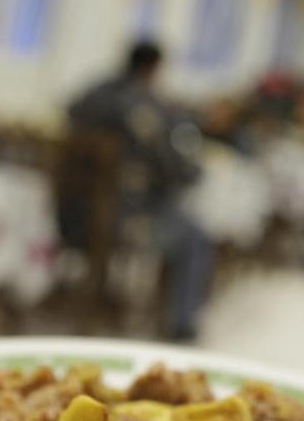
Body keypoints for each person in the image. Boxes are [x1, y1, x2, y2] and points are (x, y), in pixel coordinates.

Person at [68, 41, 209, 340]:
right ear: (154, 69)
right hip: (125, 219)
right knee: (196, 235)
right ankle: (181, 324)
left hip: (75, 212)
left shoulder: (94, 94)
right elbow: (173, 167)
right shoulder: (147, 110)